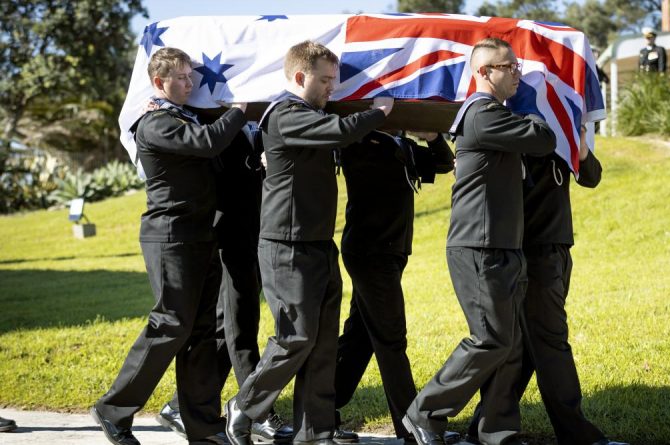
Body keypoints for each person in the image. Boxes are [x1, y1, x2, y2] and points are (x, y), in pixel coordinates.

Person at [224, 40, 393, 445]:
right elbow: (339, 132)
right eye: (326, 80)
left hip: (318, 244)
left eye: (335, 79)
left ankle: (315, 430)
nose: (333, 87)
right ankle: (245, 405)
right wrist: (379, 111)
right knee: (295, 336)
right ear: (300, 77)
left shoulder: (311, 112)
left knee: (321, 343)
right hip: (287, 246)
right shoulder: (284, 114)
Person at [401, 37, 556, 445]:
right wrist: (530, 106)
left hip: (503, 244)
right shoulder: (482, 114)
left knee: (511, 342)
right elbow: (543, 138)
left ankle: (495, 430)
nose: (518, 74)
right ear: (484, 72)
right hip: (479, 247)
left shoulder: (495, 114)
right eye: (511, 67)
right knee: (489, 338)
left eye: (518, 66)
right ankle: (424, 412)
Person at [90, 46, 247, 445]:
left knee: (201, 333)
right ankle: (113, 409)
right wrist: (240, 108)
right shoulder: (156, 122)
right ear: (159, 82)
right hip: (170, 238)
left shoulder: (184, 117)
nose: (190, 82)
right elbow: (209, 142)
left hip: (200, 235)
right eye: (180, 77)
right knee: (169, 325)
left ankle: (205, 428)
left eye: (190, 75)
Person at [465, 127, 629, 445]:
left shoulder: (557, 130)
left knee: (525, 346)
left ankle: (486, 426)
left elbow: (590, 176)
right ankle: (576, 433)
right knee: (549, 342)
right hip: (530, 250)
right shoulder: (518, 129)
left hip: (556, 248)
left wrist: (579, 146)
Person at [155, 124, 293, 445]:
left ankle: (179, 406)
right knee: (241, 322)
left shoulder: (259, 121)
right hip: (226, 234)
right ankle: (254, 412)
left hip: (256, 229)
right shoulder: (214, 123)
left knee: (226, 325)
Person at [333, 129, 454, 443]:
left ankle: (320, 408)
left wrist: (431, 135)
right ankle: (413, 426)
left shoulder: (402, 145)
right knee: (391, 339)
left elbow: (444, 161)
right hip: (370, 252)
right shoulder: (359, 142)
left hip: (391, 252)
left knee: (360, 337)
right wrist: (379, 115)